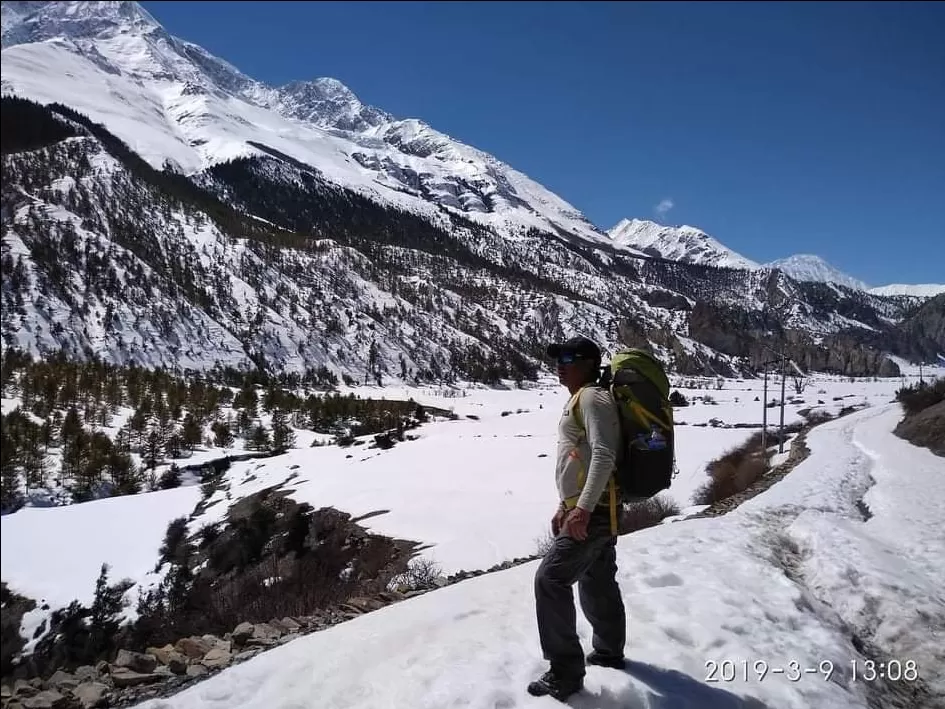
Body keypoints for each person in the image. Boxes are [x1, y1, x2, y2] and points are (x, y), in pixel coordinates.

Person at [528, 336, 627, 701]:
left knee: (550, 580)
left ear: (588, 362)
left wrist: (582, 509)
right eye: (558, 356)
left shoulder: (591, 397)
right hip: (592, 507)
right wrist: (564, 505)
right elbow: (579, 459)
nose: (560, 363)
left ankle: (565, 673)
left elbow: (604, 455)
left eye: (569, 357)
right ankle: (608, 651)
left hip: (595, 510)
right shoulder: (583, 398)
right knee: (597, 579)